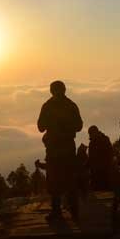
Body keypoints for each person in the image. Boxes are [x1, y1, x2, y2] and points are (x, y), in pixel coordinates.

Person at [37, 80, 84, 220]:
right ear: (65, 90)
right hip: (68, 147)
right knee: (69, 178)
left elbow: (40, 127)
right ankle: (74, 210)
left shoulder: (47, 106)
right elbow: (79, 126)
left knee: (54, 179)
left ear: (51, 91)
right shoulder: (71, 105)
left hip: (53, 148)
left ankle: (57, 211)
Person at [87, 126, 113, 191]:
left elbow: (110, 154)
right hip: (100, 172)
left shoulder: (96, 142)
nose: (90, 135)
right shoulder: (104, 140)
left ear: (94, 132)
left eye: (90, 133)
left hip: (102, 173)